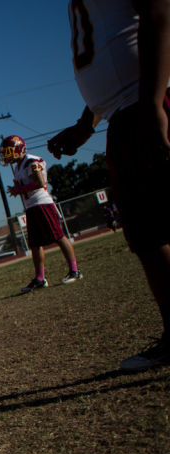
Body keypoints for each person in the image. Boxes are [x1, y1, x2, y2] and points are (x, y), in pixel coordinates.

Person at [48, 0, 169, 370]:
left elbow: (158, 10)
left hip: (147, 103)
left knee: (156, 228)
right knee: (148, 235)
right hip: (124, 113)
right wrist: (87, 124)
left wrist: (152, 102)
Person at [0, 134, 83, 292]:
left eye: (8, 151)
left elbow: (40, 183)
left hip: (42, 203)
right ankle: (40, 278)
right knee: (35, 244)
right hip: (31, 206)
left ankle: (74, 270)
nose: (6, 155)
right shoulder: (18, 167)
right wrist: (18, 189)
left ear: (18, 149)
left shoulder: (31, 160)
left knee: (58, 236)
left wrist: (19, 189)